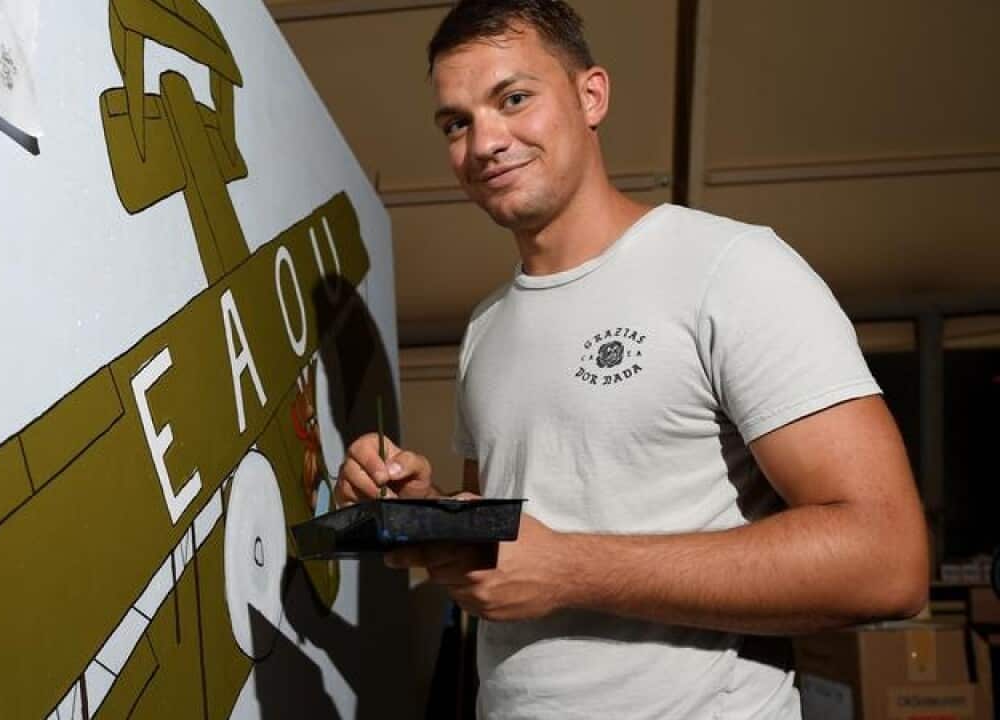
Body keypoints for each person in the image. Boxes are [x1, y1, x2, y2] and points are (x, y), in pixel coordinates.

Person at [335, 0, 929, 717]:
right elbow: (518, 536)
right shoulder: (487, 328)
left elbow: (886, 562)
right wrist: (426, 513)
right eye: (456, 123)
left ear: (592, 96)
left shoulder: (729, 266)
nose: (484, 141)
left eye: (514, 98)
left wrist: (570, 570)